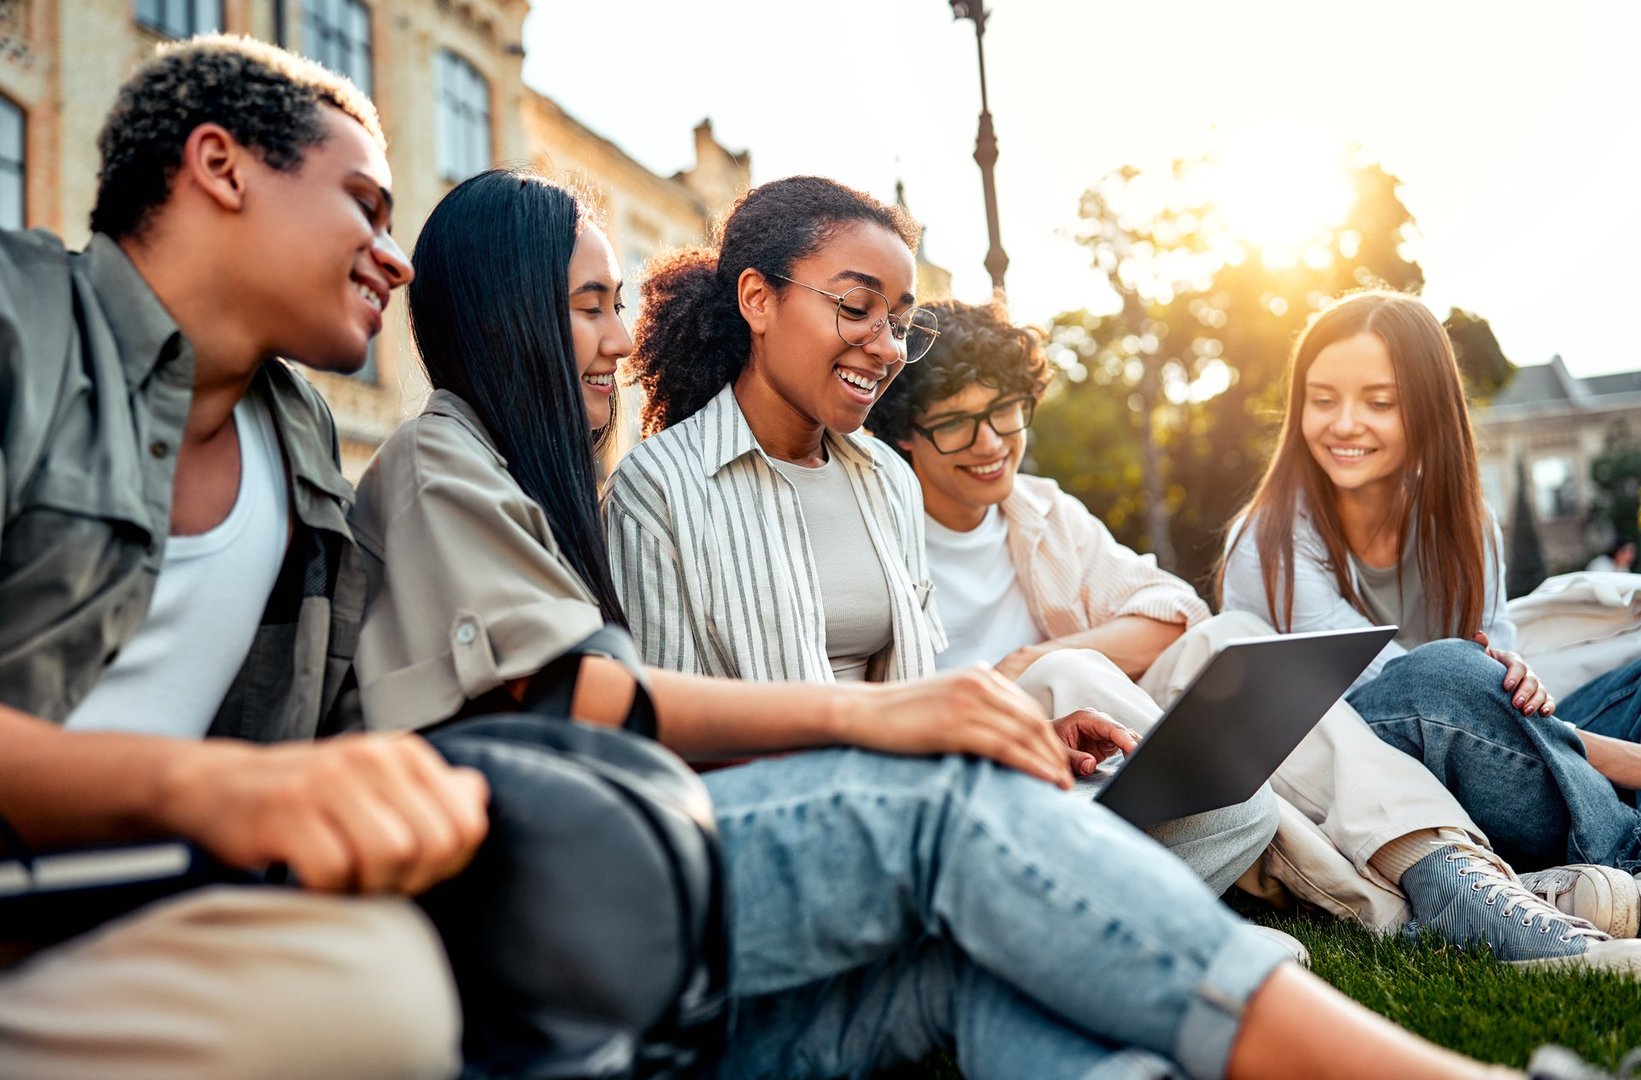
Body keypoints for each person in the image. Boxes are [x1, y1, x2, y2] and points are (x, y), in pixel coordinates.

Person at [348, 166, 1619, 1080]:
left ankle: (1457, 883)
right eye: (858, 308)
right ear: (755, 298)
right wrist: (932, 720)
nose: (886, 346)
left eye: (898, 319)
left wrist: (1003, 727)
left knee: (1217, 777)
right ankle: (1476, 912)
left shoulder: (879, 481)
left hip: (876, 801)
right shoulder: (642, 488)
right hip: (764, 834)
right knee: (1103, 783)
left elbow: (954, 673)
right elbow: (614, 722)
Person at [0, 35, 487, 1079]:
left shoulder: (300, 434)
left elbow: (333, 731)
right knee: (376, 999)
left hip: (146, 929)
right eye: (364, 204)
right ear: (220, 166)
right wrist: (207, 789)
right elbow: (238, 787)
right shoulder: (17, 322)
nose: (396, 258)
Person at [1220, 290, 1641, 947]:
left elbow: (1493, 677)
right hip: (1365, 762)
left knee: (1626, 677)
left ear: (1425, 408)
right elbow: (1407, 700)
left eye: (1378, 402)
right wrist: (1619, 759)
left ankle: (1583, 846)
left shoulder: (1464, 521)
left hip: (1492, 755)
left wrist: (1516, 682)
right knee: (1438, 675)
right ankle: (1625, 852)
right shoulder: (1267, 540)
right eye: (1321, 398)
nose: (1343, 423)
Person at [863, 297, 1276, 896]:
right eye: (954, 422)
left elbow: (1175, 613)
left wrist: (1031, 661)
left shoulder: (1041, 510)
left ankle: (1409, 856)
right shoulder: (878, 535)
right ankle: (1325, 879)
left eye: (1005, 410)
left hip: (1087, 763)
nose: (991, 443)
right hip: (971, 768)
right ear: (905, 437)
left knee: (1228, 638)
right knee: (1069, 670)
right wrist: (1030, 675)